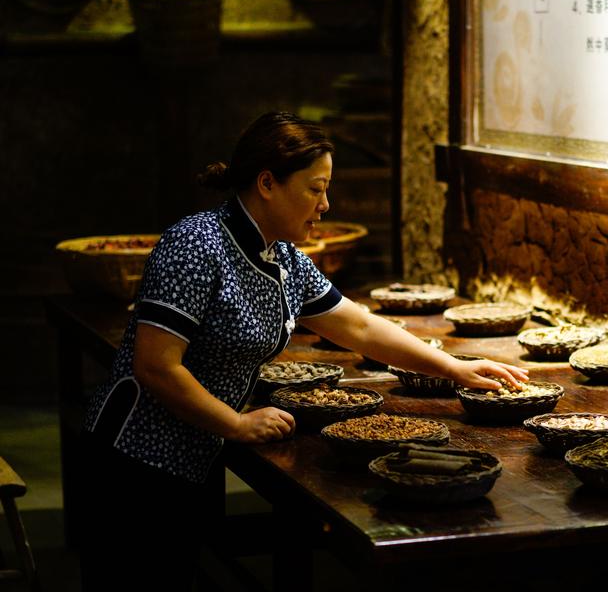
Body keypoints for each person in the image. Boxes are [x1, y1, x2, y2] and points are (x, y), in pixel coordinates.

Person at [78, 111, 528, 590]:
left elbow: (358, 326)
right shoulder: (196, 243)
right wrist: (237, 423)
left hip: (196, 450)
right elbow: (156, 366)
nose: (325, 205)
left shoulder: (284, 257)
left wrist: (454, 368)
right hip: (136, 459)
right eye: (315, 189)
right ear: (267, 182)